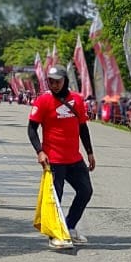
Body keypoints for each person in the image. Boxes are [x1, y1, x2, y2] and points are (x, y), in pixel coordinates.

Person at [28, 65, 95, 247]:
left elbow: (83, 128)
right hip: (54, 159)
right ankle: (55, 235)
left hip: (74, 158)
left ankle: (70, 226)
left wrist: (89, 153)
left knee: (86, 191)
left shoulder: (77, 100)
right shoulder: (43, 101)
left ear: (65, 80)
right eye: (51, 81)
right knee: (55, 198)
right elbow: (32, 128)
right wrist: (40, 151)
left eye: (57, 81)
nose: (54, 85)